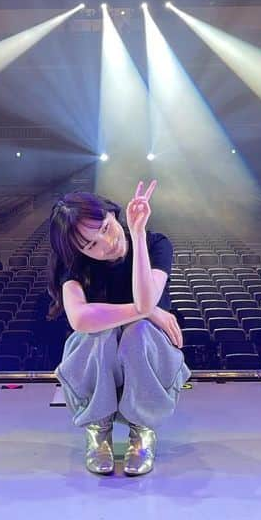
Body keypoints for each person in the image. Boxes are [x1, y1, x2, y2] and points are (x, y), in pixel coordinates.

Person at [48, 182, 190, 477]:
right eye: (90, 245)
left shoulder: (155, 243)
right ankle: (98, 430)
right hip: (98, 363)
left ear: (114, 214)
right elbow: (80, 319)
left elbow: (146, 297)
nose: (106, 243)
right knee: (99, 335)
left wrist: (137, 235)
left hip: (149, 356)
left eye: (105, 227)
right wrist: (148, 312)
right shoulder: (73, 266)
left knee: (138, 332)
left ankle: (142, 431)